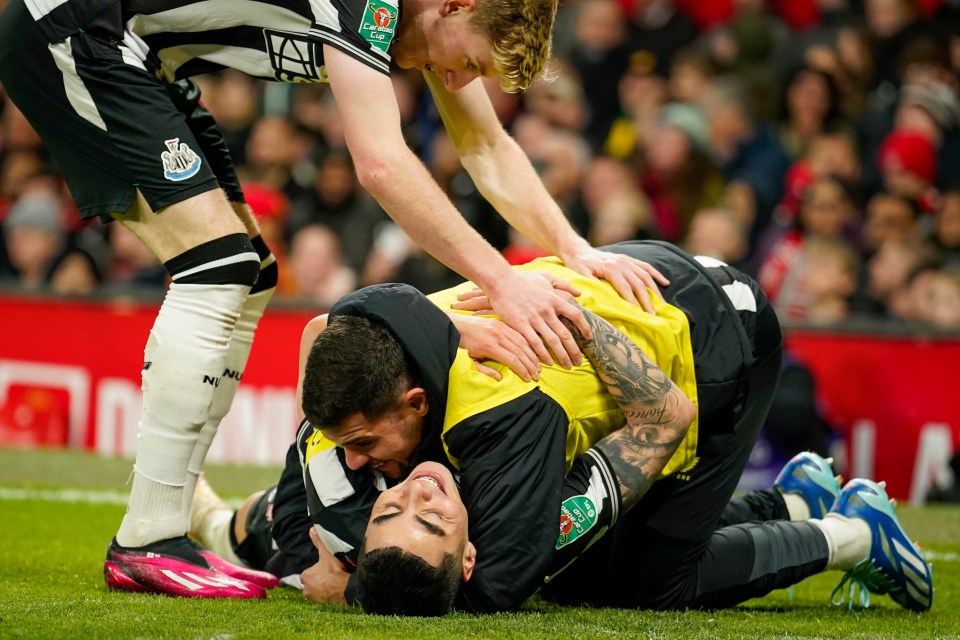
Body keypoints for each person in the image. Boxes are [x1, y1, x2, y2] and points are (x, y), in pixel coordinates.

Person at [0, 0, 667, 599]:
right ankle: (149, 538)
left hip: (137, 51)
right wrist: (502, 280)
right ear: (454, 6)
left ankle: (168, 528)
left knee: (249, 271)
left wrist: (573, 246)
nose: (459, 82)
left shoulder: (421, 18)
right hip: (78, 29)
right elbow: (379, 164)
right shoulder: (374, 4)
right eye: (467, 62)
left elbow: (485, 144)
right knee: (220, 264)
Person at [191, 241, 932, 616]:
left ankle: (855, 533)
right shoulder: (367, 371)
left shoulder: (508, 468)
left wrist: (572, 322)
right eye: (404, 510)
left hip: (706, 338)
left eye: (368, 450)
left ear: (416, 401)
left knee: (644, 581)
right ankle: (794, 500)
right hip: (625, 276)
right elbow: (321, 331)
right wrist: (317, 553)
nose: (402, 486)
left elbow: (666, 416)